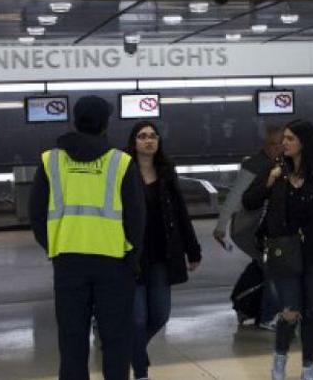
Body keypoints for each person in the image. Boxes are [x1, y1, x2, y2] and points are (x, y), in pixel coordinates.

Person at [30, 95, 146, 380]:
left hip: (68, 262)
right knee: (116, 339)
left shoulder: (50, 161)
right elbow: (136, 217)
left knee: (72, 341)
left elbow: (36, 215)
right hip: (114, 263)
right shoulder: (120, 162)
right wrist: (131, 257)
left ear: (75, 121)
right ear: (106, 124)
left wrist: (55, 247)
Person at [243, 119, 313, 380]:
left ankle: (309, 366)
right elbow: (249, 200)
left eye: (290, 139)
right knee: (290, 311)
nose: (284, 143)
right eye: (283, 138)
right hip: (284, 252)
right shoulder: (276, 169)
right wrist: (268, 181)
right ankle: (280, 360)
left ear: (304, 142)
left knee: (311, 310)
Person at [123, 120, 202, 380]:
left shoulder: (167, 173)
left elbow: (180, 213)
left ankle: (132, 348)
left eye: (153, 136)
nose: (148, 141)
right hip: (131, 256)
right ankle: (141, 371)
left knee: (159, 315)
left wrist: (193, 250)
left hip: (162, 256)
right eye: (142, 136)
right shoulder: (123, 172)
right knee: (137, 318)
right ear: (133, 142)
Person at [214, 124, 284, 328]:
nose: (278, 148)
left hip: (266, 229)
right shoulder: (255, 165)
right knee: (274, 267)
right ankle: (266, 315)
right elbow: (234, 197)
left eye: (282, 143)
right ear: (266, 144)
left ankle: (248, 306)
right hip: (249, 229)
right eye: (274, 144)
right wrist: (221, 227)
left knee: (266, 266)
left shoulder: (283, 164)